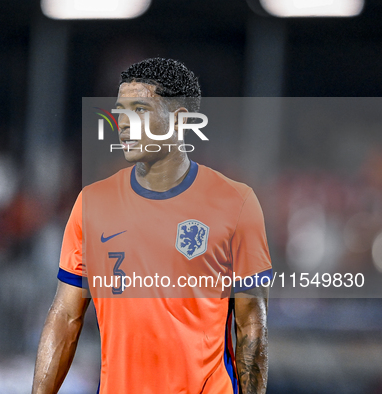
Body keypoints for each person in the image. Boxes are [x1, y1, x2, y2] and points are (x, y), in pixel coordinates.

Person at [32, 58, 271, 394]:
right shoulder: (92, 204)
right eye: (119, 112)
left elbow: (251, 323)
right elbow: (65, 316)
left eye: (140, 110)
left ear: (178, 120)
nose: (123, 124)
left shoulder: (236, 203)